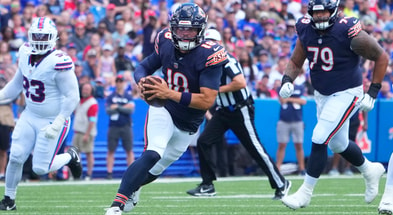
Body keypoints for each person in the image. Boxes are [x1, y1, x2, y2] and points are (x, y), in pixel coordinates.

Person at [105, 3, 228, 214]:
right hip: (164, 108)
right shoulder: (165, 40)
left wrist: (169, 93)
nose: (185, 34)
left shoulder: (210, 54)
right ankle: (116, 206)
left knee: (157, 168)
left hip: (189, 122)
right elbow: (143, 66)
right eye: (180, 28)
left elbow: (207, 101)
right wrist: (142, 81)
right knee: (153, 153)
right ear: (173, 28)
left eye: (190, 29)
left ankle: (134, 188)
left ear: (201, 30)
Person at [278, 0, 388, 210]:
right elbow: (296, 60)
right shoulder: (305, 28)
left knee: (319, 137)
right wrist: (287, 80)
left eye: (324, 12)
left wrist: (372, 92)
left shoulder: (346, 30)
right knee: (338, 144)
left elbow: (381, 56)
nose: (320, 16)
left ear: (334, 10)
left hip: (347, 92)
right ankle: (369, 170)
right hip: (322, 93)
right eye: (316, 13)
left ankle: (305, 193)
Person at [186, 28, 291, 200]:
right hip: (223, 110)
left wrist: (214, 91)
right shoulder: (204, 63)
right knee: (204, 141)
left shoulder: (226, 59)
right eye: (207, 43)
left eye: (212, 42)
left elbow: (240, 83)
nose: (209, 46)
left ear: (220, 44)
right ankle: (207, 185)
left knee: (254, 148)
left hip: (240, 108)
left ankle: (281, 183)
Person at [0, 17, 82, 210]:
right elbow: (15, 86)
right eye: (36, 35)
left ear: (53, 37)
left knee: (40, 168)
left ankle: (70, 155)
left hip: (52, 119)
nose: (39, 39)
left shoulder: (59, 61)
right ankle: (9, 200)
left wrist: (59, 121)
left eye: (43, 36)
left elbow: (73, 96)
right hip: (30, 114)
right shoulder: (24, 52)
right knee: (16, 156)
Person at [105, 74, 135, 180]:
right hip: (114, 126)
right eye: (117, 81)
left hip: (126, 125)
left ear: (124, 83)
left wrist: (117, 107)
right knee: (111, 150)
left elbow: (131, 110)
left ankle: (131, 173)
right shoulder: (111, 96)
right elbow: (108, 110)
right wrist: (124, 107)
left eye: (121, 81)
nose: (119, 83)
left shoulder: (128, 96)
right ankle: (109, 173)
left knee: (129, 150)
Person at [276, 83, 307, 176]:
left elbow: (303, 101)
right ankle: (278, 167)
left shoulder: (300, 87)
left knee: (299, 145)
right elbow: (282, 100)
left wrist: (289, 99)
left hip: (297, 120)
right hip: (284, 120)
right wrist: (295, 100)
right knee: (282, 144)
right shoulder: (281, 88)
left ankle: (302, 168)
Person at [71, 82, 98, 180]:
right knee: (75, 154)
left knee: (88, 153)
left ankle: (89, 174)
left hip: (86, 132)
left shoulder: (92, 103)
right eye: (84, 89)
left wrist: (87, 134)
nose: (85, 91)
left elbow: (92, 120)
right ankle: (77, 174)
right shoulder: (79, 101)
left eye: (87, 89)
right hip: (77, 131)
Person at [0, 74, 14, 181]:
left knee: (3, 150)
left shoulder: (8, 95)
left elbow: (21, 102)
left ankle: (2, 172)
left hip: (4, 122)